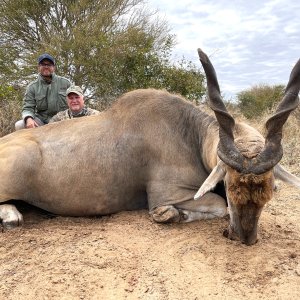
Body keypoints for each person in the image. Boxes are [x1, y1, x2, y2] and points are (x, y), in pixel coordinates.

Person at [15, 53, 71, 130]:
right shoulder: (32, 87)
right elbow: (28, 108)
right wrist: (28, 118)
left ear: (54, 67)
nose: (46, 67)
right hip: (42, 122)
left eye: (49, 65)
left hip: (62, 120)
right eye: (43, 64)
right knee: (20, 125)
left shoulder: (65, 83)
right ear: (38, 67)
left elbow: (75, 101)